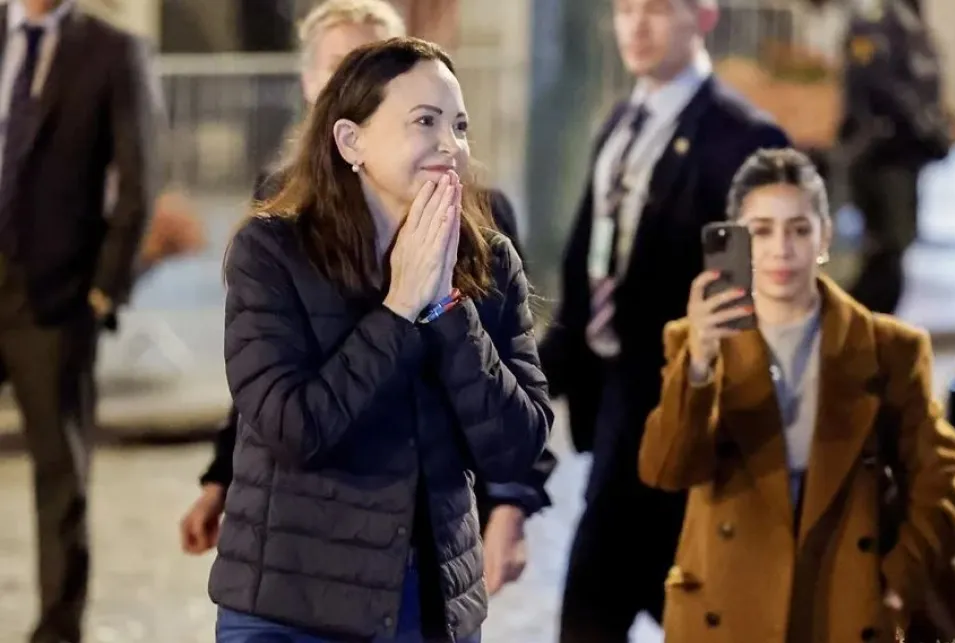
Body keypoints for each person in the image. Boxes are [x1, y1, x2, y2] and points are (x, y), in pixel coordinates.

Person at [180, 0, 554, 599]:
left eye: (458, 124)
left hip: (427, 596)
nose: (450, 144)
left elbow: (518, 440)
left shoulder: (487, 251)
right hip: (297, 594)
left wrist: (445, 307)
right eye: (425, 121)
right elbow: (284, 419)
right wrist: (399, 306)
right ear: (349, 134)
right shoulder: (274, 242)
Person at [638, 148, 955, 642]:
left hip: (842, 605)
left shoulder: (888, 348)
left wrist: (898, 584)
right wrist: (701, 362)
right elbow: (666, 469)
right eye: (761, 230)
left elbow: (938, 479)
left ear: (824, 237)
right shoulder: (695, 340)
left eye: (798, 228)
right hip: (728, 610)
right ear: (737, 239)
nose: (781, 249)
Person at [537, 0, 789, 638]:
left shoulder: (743, 138)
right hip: (613, 409)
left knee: (609, 606)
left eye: (655, 8)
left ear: (703, 15)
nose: (636, 26)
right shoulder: (621, 123)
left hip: (678, 417)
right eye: (624, 10)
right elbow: (589, 273)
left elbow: (741, 310)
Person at [0, 1, 157, 642]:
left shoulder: (112, 50)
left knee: (60, 478)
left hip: (56, 300)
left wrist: (104, 291)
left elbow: (139, 175)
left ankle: (58, 631)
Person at [840, 0, 952, 314]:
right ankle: (849, 328)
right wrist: (924, 127)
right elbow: (875, 83)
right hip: (882, 154)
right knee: (886, 253)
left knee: (895, 249)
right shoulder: (874, 20)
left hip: (904, 155)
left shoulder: (908, 20)